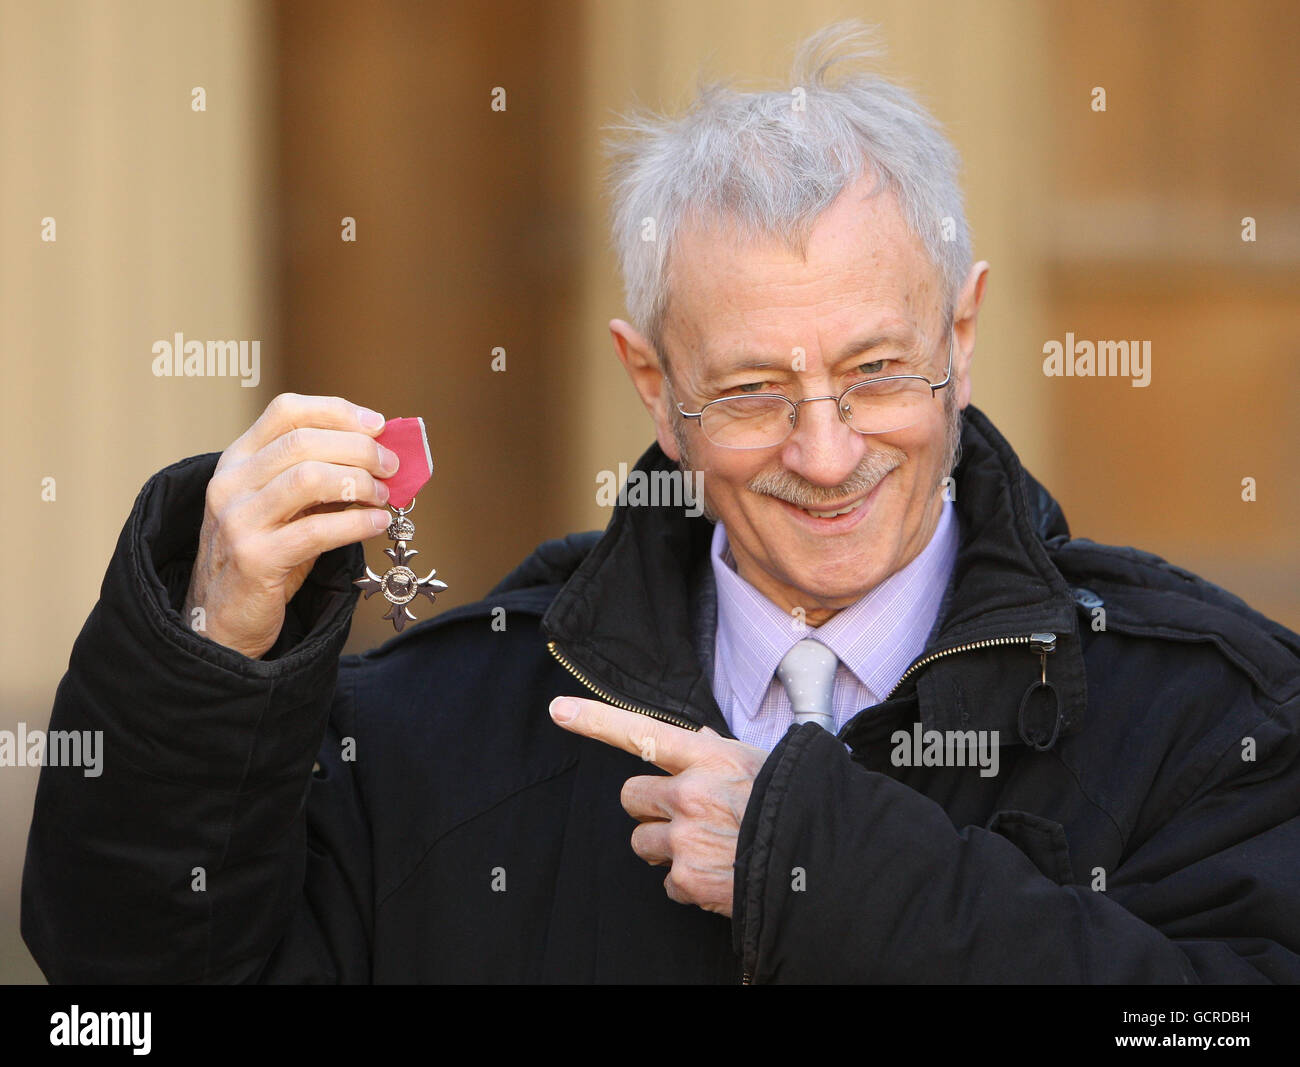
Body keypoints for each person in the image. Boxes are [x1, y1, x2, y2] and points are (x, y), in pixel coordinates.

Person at [22, 23, 1300, 984]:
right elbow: (127, 996)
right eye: (749, 391)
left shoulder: (1218, 713)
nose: (825, 448)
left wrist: (837, 876)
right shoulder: (435, 733)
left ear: (961, 333)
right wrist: (209, 654)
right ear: (652, 382)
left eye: (874, 372)